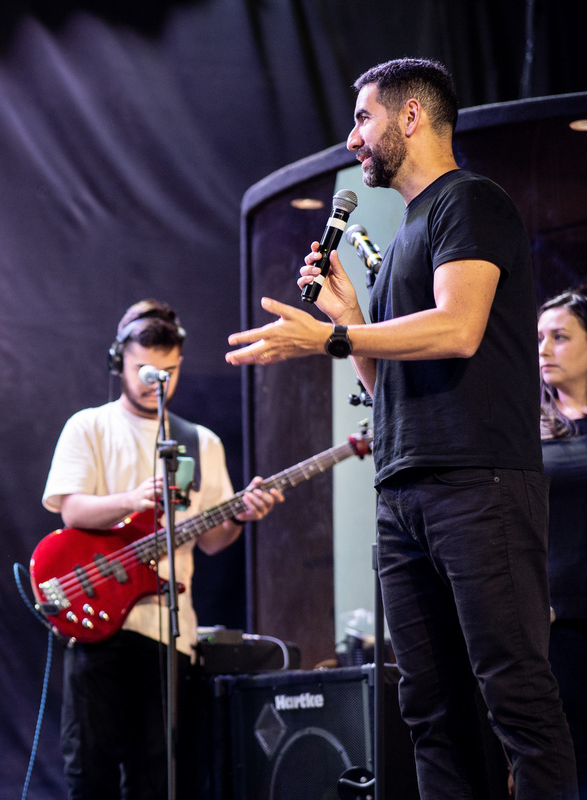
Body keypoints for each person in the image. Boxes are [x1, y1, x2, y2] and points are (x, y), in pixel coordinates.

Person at [225, 58, 577, 797]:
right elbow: (388, 388)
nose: (353, 137)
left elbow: (457, 328)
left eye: (363, 118)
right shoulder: (407, 233)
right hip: (405, 494)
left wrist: (330, 338)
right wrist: (351, 318)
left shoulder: (469, 201)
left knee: (516, 698)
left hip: (479, 485)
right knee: (431, 711)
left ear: (410, 116)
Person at [42, 299, 281, 800]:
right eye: (145, 371)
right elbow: (71, 511)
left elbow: (212, 540)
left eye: (168, 373)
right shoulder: (89, 426)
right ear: (119, 362)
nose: (157, 384)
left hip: (168, 632)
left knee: (158, 778)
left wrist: (239, 515)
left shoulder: (200, 442)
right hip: (98, 619)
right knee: (90, 771)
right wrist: (132, 500)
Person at [538, 289, 587, 799]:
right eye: (539, 338)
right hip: (558, 617)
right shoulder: (528, 429)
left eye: (560, 337)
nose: (544, 349)